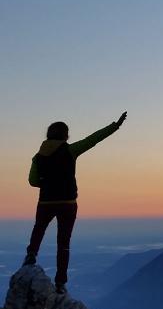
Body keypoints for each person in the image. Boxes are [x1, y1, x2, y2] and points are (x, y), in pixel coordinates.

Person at [24, 112, 127, 294]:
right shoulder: (70, 150)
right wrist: (115, 126)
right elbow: (93, 139)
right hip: (68, 203)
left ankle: (31, 254)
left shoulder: (37, 157)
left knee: (39, 228)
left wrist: (47, 183)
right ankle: (61, 283)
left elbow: (33, 181)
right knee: (63, 243)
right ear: (65, 135)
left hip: (46, 202)